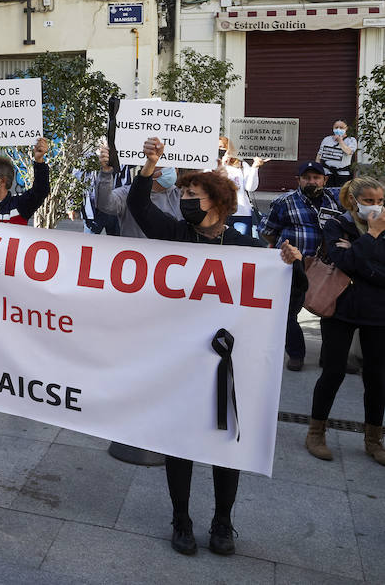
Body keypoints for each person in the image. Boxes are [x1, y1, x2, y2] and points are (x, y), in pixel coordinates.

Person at [129, 135, 259, 557]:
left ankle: (223, 521)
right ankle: (181, 518)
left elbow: (288, 296)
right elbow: (139, 206)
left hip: (226, 365)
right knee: (180, 443)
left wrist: (289, 265)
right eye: (183, 192)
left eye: (193, 194)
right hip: (181, 360)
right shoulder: (174, 233)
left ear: (218, 203)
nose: (185, 199)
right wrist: (150, 166)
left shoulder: (247, 249)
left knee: (225, 446)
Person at [287, 176, 385, 465]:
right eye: (369, 201)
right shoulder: (337, 224)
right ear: (353, 200)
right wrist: (373, 236)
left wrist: (359, 255)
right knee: (333, 371)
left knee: (378, 377)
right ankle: (316, 432)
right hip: (339, 308)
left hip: (378, 312)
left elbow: (358, 262)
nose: (376, 207)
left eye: (380, 201)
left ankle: (373, 439)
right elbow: (343, 263)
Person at [261, 162, 342, 371]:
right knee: (289, 313)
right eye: (307, 177)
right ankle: (296, 354)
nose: (312, 181)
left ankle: (329, 357)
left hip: (327, 266)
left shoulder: (335, 200)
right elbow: (268, 232)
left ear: (325, 180)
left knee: (330, 312)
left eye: (316, 177)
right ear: (298, 180)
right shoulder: (284, 202)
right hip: (293, 266)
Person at [93, 147, 181, 238]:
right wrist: (106, 173)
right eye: (164, 163)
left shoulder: (181, 196)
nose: (172, 168)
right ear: (148, 166)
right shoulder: (128, 193)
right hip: (134, 251)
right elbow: (105, 204)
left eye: (174, 165)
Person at [218, 138, 264, 238]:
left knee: (242, 244)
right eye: (217, 148)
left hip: (242, 213)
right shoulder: (212, 166)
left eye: (222, 147)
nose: (220, 150)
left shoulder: (242, 165)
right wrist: (222, 165)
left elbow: (250, 187)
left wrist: (255, 167)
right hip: (219, 213)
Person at [316, 120, 357, 188]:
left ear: (346, 128)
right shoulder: (326, 139)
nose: (338, 129)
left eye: (341, 127)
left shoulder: (351, 140)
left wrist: (340, 141)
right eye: (336, 127)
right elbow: (319, 155)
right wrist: (317, 170)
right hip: (327, 174)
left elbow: (349, 151)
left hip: (342, 174)